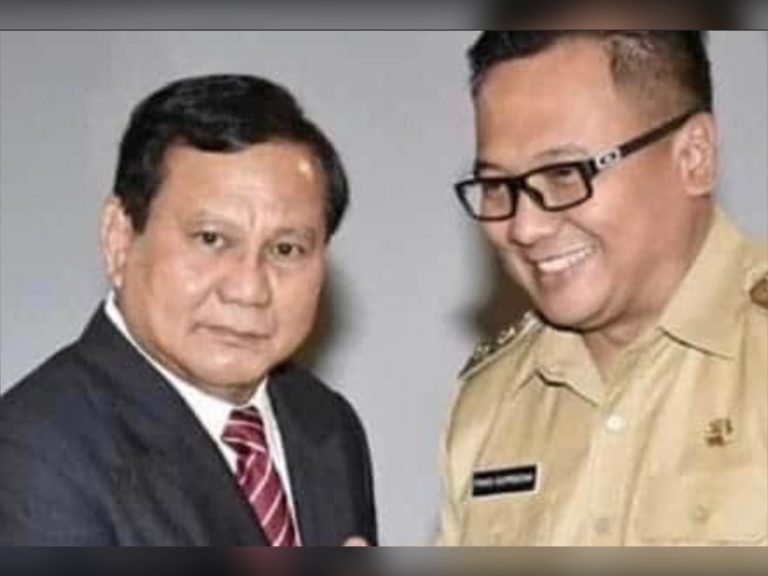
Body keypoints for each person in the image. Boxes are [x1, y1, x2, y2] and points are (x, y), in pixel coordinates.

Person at [0, 74, 377, 546]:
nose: (248, 289)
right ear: (119, 238)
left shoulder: (326, 422)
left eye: (285, 249)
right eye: (212, 239)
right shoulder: (35, 454)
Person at [439, 31, 767, 545]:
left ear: (694, 157)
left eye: (564, 174)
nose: (525, 227)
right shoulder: (490, 403)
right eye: (499, 186)